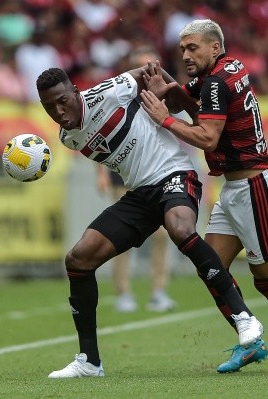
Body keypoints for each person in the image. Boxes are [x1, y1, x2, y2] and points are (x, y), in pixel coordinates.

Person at [36, 63, 266, 378]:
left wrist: (182, 105)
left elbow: (150, 69)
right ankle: (89, 361)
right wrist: (147, 111)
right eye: (50, 107)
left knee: (180, 228)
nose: (59, 111)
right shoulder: (69, 138)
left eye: (63, 100)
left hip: (174, 172)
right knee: (78, 258)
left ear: (76, 92)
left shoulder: (108, 92)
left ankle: (244, 318)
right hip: (141, 194)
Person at [139, 19, 268, 373]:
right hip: (236, 187)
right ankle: (251, 340)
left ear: (214, 47)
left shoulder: (216, 81)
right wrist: (171, 89)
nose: (186, 55)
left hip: (258, 186)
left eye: (193, 48)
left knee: (267, 277)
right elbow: (197, 105)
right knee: (212, 267)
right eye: (182, 50)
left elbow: (207, 136)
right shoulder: (225, 71)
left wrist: (164, 118)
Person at [96, 45, 177, 313]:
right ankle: (123, 292)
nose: (148, 71)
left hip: (157, 172)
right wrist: (101, 174)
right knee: (122, 236)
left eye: (152, 65)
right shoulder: (121, 97)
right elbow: (102, 136)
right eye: (143, 65)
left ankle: (158, 290)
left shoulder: (164, 96)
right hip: (123, 174)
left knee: (164, 235)